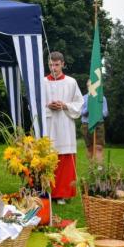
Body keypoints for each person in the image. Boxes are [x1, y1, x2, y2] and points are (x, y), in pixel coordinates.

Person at [42, 51, 84, 204]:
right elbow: (33, 105)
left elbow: (79, 103)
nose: (54, 68)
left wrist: (64, 105)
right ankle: (47, 192)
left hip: (65, 125)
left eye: (57, 65)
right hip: (49, 125)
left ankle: (62, 194)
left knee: (65, 160)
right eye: (51, 65)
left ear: (63, 64)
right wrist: (48, 106)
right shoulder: (42, 82)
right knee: (47, 159)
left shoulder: (71, 82)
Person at [80, 83, 109, 164]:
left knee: (99, 147)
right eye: (90, 85)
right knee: (90, 148)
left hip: (98, 124)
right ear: (87, 86)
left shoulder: (102, 98)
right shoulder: (83, 98)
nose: (92, 87)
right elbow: (81, 112)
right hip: (86, 125)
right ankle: (92, 171)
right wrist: (89, 107)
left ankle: (100, 171)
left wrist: (97, 111)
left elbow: (105, 113)